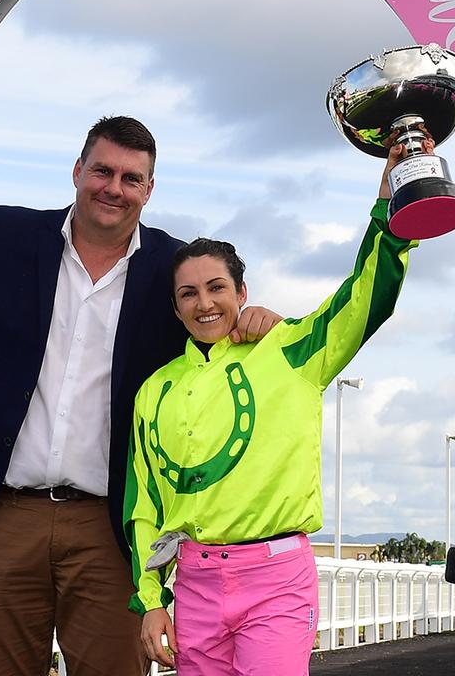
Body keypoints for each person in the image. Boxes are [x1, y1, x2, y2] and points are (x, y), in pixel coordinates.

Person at [0, 104, 280, 676]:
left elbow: (214, 324)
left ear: (149, 190)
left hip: (111, 525)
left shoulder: (169, 271)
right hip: (5, 513)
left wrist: (255, 321)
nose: (114, 188)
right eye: (102, 171)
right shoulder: (7, 236)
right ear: (77, 169)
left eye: (131, 179)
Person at [124, 137, 422, 674]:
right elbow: (144, 510)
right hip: (192, 583)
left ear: (242, 291)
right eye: (188, 294)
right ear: (175, 307)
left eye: (217, 287)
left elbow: (363, 298)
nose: (204, 303)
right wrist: (151, 602)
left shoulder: (290, 350)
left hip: (277, 577)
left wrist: (390, 208)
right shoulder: (154, 390)